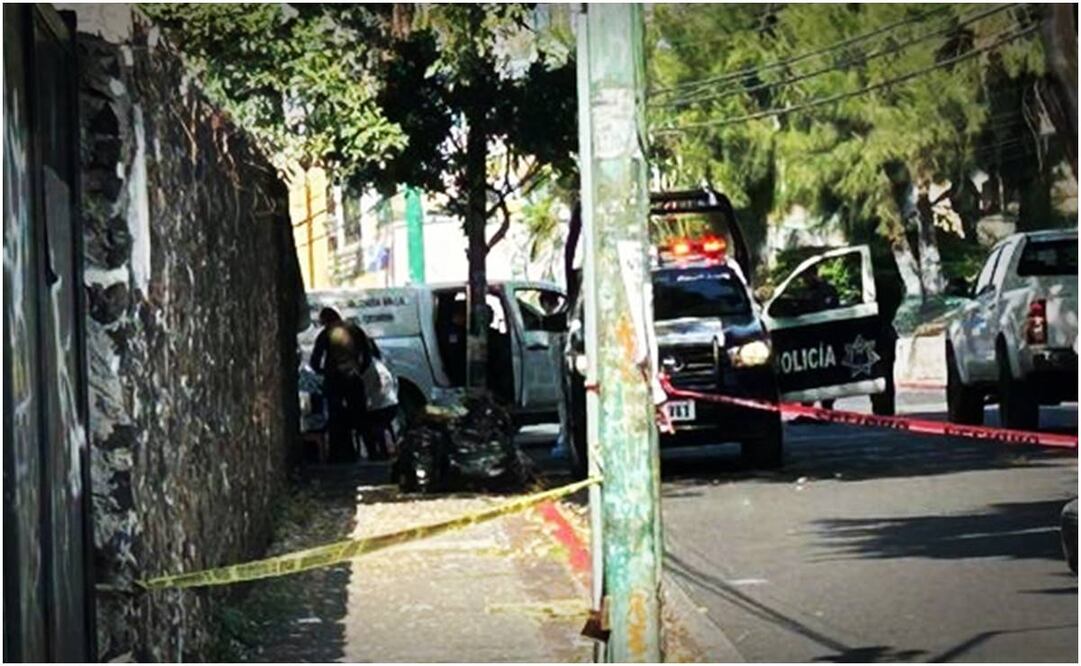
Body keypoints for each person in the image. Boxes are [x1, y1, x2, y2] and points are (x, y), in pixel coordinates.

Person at [311, 307, 372, 463]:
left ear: (325, 320)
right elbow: (367, 356)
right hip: (354, 378)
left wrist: (325, 372)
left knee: (335, 418)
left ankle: (337, 455)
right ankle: (372, 451)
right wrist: (359, 370)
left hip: (334, 381)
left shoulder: (325, 334)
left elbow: (314, 361)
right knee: (361, 416)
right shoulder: (355, 330)